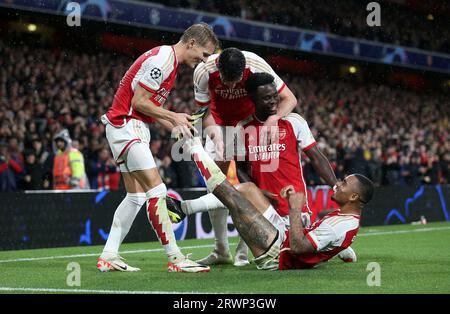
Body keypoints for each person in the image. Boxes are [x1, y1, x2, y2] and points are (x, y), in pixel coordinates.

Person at [169, 73, 356, 265]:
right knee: (241, 194)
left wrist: (335, 187)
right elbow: (240, 169)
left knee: (239, 194)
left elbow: (317, 158)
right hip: (264, 209)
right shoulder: (241, 128)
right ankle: (220, 242)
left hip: (295, 212)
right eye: (266, 98)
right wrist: (258, 192)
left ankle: (185, 207)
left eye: (275, 95)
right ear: (252, 99)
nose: (274, 101)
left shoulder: (293, 121)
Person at [97, 23, 218, 273]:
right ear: (192, 43)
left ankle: (109, 255)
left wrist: (173, 125)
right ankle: (176, 258)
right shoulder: (163, 59)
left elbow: (146, 106)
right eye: (204, 54)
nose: (204, 60)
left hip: (126, 127)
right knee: (157, 191)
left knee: (136, 196)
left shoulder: (168, 62)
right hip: (127, 126)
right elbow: (139, 102)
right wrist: (174, 117)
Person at [168, 138, 374, 270]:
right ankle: (185, 208)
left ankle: (194, 146)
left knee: (232, 196)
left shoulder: (341, 225)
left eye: (344, 183)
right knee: (248, 189)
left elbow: (300, 247)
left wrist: (294, 209)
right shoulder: (345, 219)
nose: (338, 184)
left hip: (276, 256)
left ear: (354, 197)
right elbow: (323, 239)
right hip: (281, 236)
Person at [192, 47, 298, 266]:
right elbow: (204, 113)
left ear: (244, 72)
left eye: (236, 81)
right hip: (219, 126)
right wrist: (217, 138)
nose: (230, 86)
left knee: (253, 189)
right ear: (218, 68)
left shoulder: (256, 64)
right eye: (226, 80)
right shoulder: (203, 71)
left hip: (250, 126)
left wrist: (273, 119)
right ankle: (221, 249)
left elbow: (289, 98)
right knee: (217, 188)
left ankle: (247, 248)